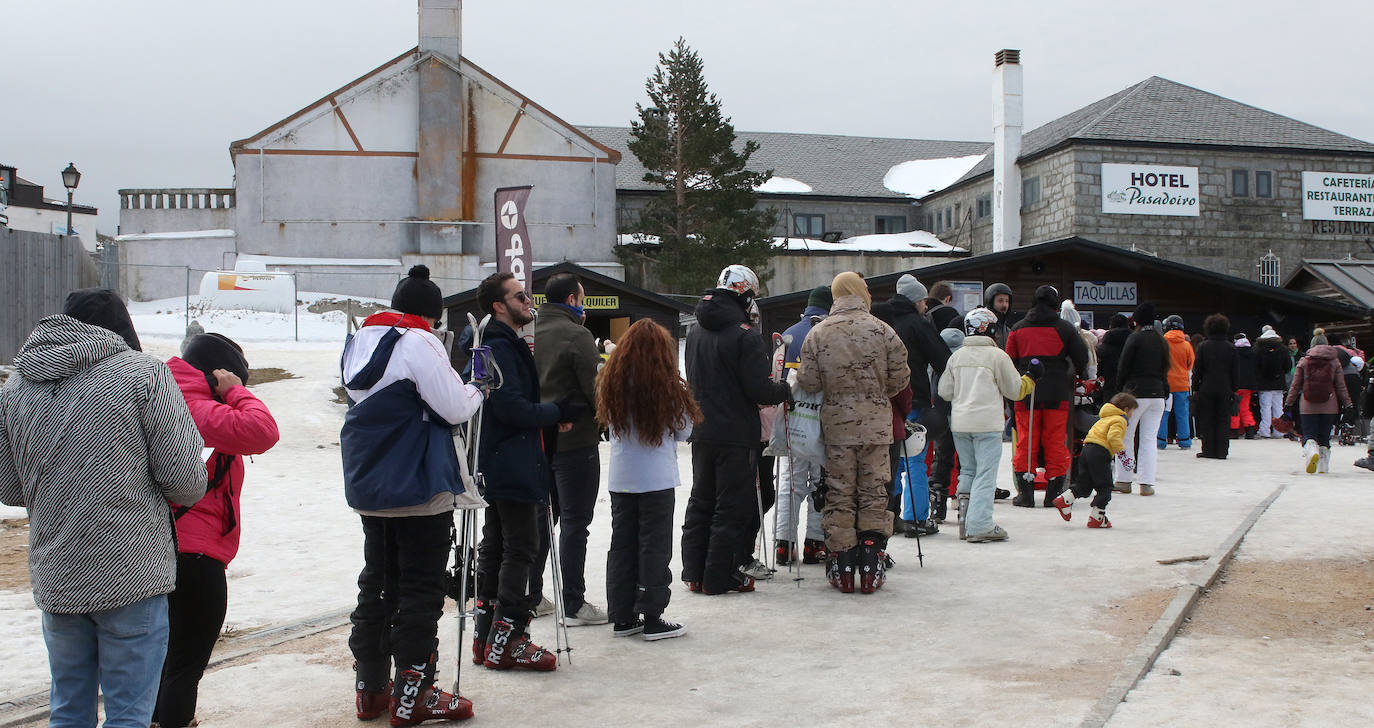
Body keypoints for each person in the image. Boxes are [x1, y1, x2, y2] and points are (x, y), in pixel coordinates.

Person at [0, 289, 207, 728]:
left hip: (57, 575)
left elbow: (11, 488)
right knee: (129, 715)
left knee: (68, 712)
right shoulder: (143, 375)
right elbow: (186, 481)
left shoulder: (17, 385)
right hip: (131, 574)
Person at [342, 265, 487, 721]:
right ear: (433, 313)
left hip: (369, 480)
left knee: (378, 579)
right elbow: (453, 407)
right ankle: (416, 691)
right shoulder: (420, 341)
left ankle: (371, 686)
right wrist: (478, 386)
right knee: (420, 585)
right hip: (419, 482)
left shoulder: (360, 338)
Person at [155, 334, 280, 728]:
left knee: (155, 664)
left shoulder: (160, 394)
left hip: (152, 551)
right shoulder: (194, 406)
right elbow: (262, 431)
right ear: (217, 374)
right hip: (192, 555)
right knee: (181, 667)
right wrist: (237, 393)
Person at [469, 271, 578, 672]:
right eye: (519, 296)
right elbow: (510, 407)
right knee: (520, 548)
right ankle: (509, 637)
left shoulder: (499, 342)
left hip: (505, 458)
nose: (528, 301)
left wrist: (549, 416)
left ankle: (488, 636)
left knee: (498, 545)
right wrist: (556, 412)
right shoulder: (498, 343)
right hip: (512, 460)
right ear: (499, 306)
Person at [797, 272, 910, 594]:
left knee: (840, 492)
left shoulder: (818, 333)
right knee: (875, 490)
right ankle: (873, 558)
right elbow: (900, 378)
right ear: (862, 293)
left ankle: (843, 563)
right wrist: (874, 392)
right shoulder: (884, 331)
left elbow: (810, 381)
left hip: (837, 427)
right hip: (876, 425)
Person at [682, 265, 791, 595]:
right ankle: (720, 576)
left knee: (701, 501)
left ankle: (694, 572)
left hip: (702, 428)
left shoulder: (695, 331)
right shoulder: (745, 334)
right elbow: (759, 390)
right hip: (735, 434)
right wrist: (784, 389)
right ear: (744, 295)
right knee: (731, 506)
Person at [597, 319, 699, 641]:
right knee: (653, 546)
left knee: (622, 544)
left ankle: (623, 616)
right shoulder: (669, 387)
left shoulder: (610, 381)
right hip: (656, 478)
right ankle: (652, 615)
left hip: (621, 477)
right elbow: (685, 431)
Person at [532, 272, 608, 627]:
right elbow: (597, 391)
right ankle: (574, 603)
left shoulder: (529, 332)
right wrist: (606, 419)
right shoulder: (577, 335)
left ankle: (532, 596)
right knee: (576, 524)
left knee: (542, 521)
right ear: (574, 301)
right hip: (576, 441)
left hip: (537, 441)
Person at [937, 307, 1035, 543]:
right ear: (990, 329)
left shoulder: (956, 357)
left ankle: (966, 520)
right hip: (987, 424)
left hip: (961, 423)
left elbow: (944, 391)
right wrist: (1031, 377)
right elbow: (1014, 390)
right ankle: (980, 524)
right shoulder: (997, 356)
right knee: (985, 473)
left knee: (968, 470)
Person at [1005, 285, 1088, 508]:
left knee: (1026, 440)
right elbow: (1082, 359)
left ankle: (1026, 493)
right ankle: (1054, 491)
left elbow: (1009, 363)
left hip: (1026, 393)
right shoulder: (1066, 329)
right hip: (1058, 392)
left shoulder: (1017, 329)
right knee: (1055, 441)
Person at [887, 274, 951, 536]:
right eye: (924, 301)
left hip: (885, 402)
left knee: (891, 462)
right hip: (913, 399)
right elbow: (943, 360)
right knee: (914, 459)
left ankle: (891, 514)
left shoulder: (882, 321)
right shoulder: (918, 324)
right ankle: (917, 518)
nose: (926, 306)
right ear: (916, 301)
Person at [775, 285, 831, 566]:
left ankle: (784, 543)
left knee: (790, 481)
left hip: (791, 417)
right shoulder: (830, 332)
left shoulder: (788, 334)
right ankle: (814, 543)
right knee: (822, 482)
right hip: (822, 419)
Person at [1053, 393, 1138, 529]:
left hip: (1087, 450)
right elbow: (1113, 438)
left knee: (1084, 484)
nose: (1132, 416)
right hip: (1101, 453)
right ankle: (1097, 516)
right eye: (1132, 412)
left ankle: (1065, 500)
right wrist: (1123, 455)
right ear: (1126, 409)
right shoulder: (1119, 420)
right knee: (1105, 487)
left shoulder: (1104, 418)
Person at [1112, 303, 1170, 496]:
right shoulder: (1161, 341)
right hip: (1157, 395)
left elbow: (1124, 366)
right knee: (1148, 439)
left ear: (1136, 320)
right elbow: (1165, 369)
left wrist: (1120, 389)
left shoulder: (1134, 338)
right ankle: (1146, 483)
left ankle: (1124, 479)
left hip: (1135, 394)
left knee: (1126, 437)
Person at [1286, 329, 1351, 474]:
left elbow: (1295, 385)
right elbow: (1341, 386)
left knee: (1309, 434)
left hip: (1308, 404)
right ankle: (1323, 466)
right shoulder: (1334, 361)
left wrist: (1288, 403)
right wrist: (1348, 404)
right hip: (1329, 404)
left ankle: (1311, 448)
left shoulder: (1304, 360)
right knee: (1324, 437)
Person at [1192, 314, 1239, 460]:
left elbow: (1197, 369)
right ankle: (1222, 451)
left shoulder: (1203, 347)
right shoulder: (1231, 348)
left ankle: (1208, 449)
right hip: (1225, 387)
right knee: (1223, 419)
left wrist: (1195, 387)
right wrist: (1234, 388)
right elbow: (1235, 370)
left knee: (1207, 419)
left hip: (1206, 387)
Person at [1160, 315, 1195, 449]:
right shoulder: (1186, 345)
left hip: (1166, 384)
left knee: (1164, 412)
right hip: (1182, 384)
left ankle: (1161, 440)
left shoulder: (1162, 342)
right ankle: (1184, 440)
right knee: (1182, 413)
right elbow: (1190, 364)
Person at [1255, 326, 1290, 438]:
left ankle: (1264, 431)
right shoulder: (1283, 348)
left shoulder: (1258, 348)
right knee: (1278, 407)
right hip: (1278, 382)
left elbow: (1255, 366)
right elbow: (1288, 366)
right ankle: (1279, 431)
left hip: (1264, 383)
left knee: (1265, 408)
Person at [1097, 314, 1132, 400]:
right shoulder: (1135, 343)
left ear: (1110, 327)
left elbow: (1099, 369)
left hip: (1110, 388)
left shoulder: (1103, 347)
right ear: (1127, 326)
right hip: (1132, 388)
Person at [1231, 333, 1259, 439]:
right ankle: (1250, 430)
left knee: (1234, 408)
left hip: (1236, 385)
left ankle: (1234, 431)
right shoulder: (1252, 352)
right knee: (1245, 408)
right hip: (1248, 386)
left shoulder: (1233, 352)